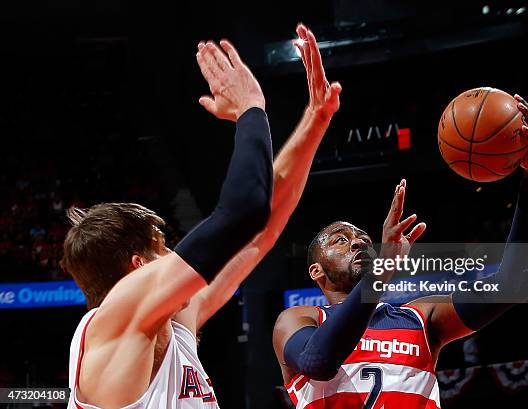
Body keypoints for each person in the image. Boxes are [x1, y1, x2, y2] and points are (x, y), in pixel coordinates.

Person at [64, 23, 341, 409]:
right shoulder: (118, 317)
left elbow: (258, 234)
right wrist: (250, 110)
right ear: (138, 267)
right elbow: (242, 212)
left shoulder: (173, 321)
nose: (176, 255)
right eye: (163, 249)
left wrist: (315, 120)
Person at [273, 95, 528, 408]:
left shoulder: (422, 317)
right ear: (316, 271)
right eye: (340, 239)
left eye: (364, 237)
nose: (360, 242)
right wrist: (381, 274)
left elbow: (515, 283)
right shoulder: (299, 320)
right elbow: (319, 362)